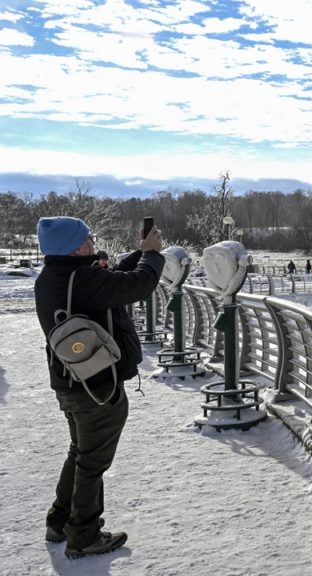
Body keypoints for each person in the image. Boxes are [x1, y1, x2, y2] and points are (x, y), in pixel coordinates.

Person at [34, 216, 164, 559]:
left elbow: (112, 281)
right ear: (73, 247)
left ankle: (60, 522)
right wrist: (152, 254)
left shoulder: (53, 277)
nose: (93, 241)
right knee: (92, 463)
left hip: (69, 382)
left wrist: (138, 253)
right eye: (87, 238)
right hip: (97, 389)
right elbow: (139, 285)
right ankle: (84, 536)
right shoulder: (83, 278)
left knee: (80, 453)